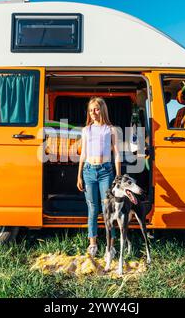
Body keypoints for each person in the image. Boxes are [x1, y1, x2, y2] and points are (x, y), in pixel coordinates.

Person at [77, 97, 121, 257]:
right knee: (93, 209)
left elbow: (116, 153)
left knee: (107, 209)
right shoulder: (86, 130)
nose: (93, 113)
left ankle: (111, 246)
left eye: (96, 109)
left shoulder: (110, 129)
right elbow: (83, 154)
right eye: (90, 110)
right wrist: (79, 176)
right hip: (88, 171)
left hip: (106, 172)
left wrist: (118, 176)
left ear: (102, 109)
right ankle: (93, 244)